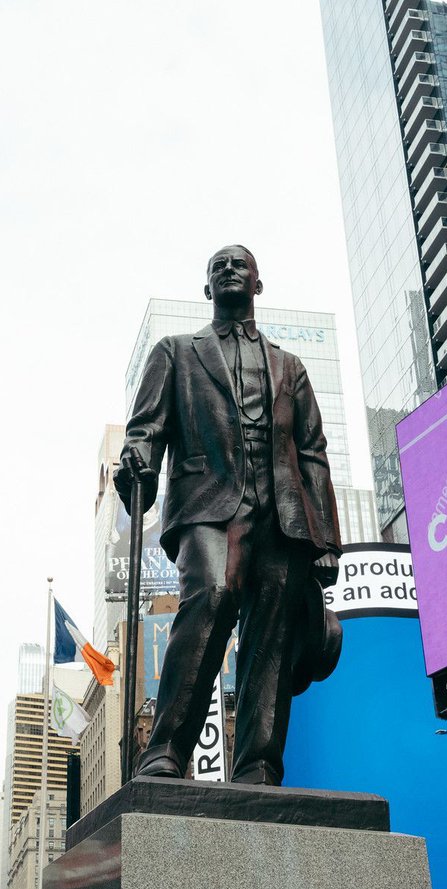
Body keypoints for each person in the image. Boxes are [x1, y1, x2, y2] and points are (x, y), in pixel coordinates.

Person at [115, 245, 342, 786]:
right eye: (218, 267)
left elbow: (312, 452)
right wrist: (137, 460)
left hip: (283, 516)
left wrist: (327, 540)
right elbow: (144, 430)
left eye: (240, 265)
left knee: (273, 632)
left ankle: (259, 765)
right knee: (212, 598)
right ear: (207, 288)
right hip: (208, 506)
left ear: (258, 285)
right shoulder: (175, 352)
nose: (229, 271)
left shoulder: (291, 366)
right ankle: (166, 749)